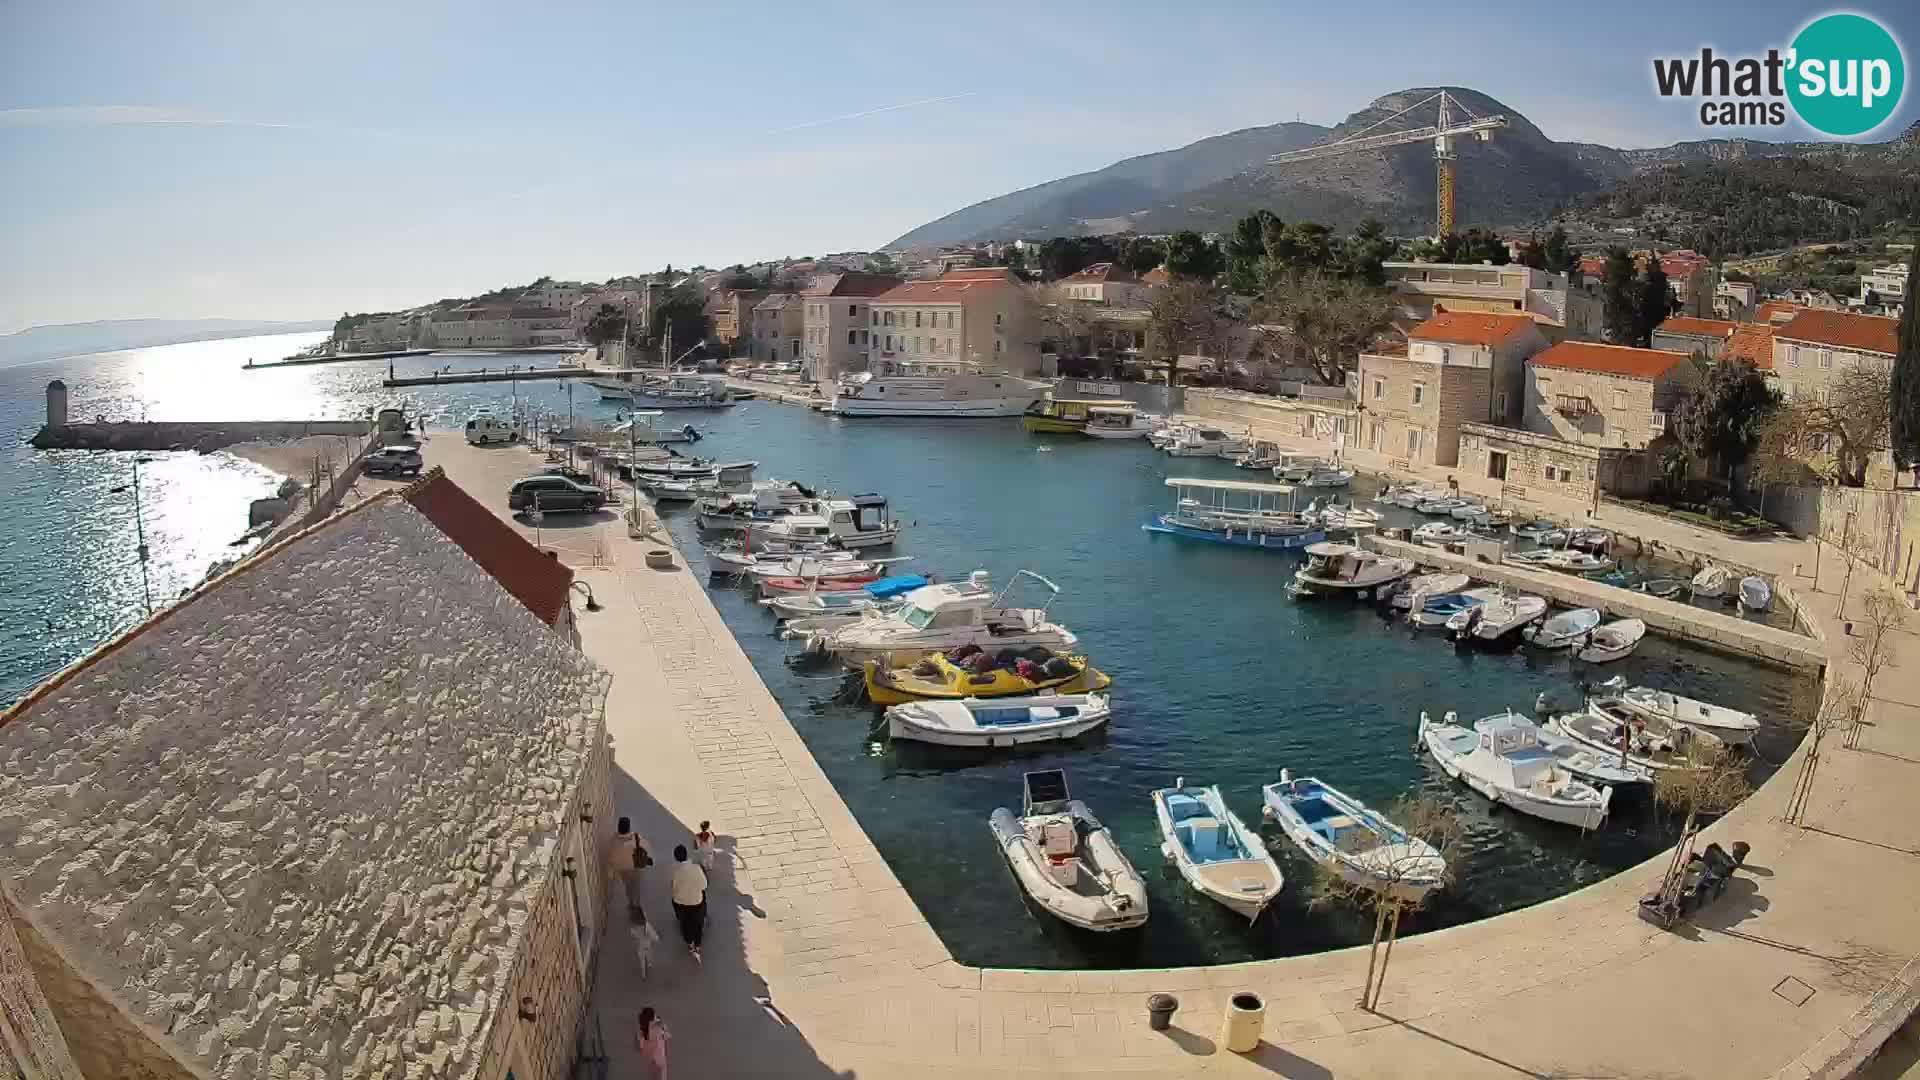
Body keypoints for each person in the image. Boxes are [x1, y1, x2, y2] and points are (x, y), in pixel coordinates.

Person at [670, 844, 707, 964]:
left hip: (681, 903)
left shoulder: (675, 871)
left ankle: (689, 942)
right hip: (696, 902)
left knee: (685, 923)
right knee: (697, 923)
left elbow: (674, 888)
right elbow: (704, 886)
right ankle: (697, 943)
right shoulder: (696, 868)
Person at [636, 1006, 669, 1078]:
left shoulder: (641, 1029)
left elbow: (640, 1047)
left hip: (649, 1059)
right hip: (660, 1058)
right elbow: (666, 1037)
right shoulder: (659, 1026)